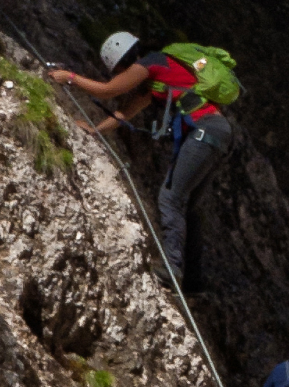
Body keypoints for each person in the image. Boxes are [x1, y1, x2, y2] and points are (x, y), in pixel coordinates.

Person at [46, 32, 234, 287]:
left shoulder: (151, 64)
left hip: (205, 130)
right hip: (219, 131)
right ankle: (190, 276)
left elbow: (108, 90)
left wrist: (69, 78)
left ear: (120, 63)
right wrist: (96, 130)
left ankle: (172, 268)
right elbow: (126, 111)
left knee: (171, 197)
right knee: (187, 206)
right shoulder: (159, 78)